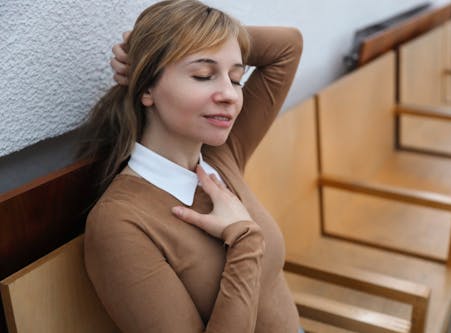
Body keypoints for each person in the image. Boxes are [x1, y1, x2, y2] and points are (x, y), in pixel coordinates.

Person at [79, 0, 303, 332]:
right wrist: (244, 242)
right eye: (203, 75)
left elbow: (288, 46)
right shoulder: (120, 222)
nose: (229, 94)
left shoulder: (220, 155)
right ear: (147, 89)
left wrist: (157, 46)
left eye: (236, 77)